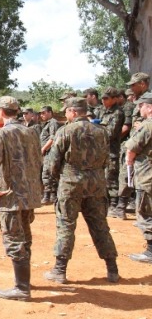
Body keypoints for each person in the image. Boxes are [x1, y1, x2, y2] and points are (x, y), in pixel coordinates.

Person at [44, 97, 119, 284]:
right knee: (100, 225)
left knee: (66, 224)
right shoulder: (101, 131)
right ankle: (112, 270)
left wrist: (57, 179)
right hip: (96, 183)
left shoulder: (65, 131)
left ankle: (60, 271)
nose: (66, 114)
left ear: (74, 112)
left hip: (71, 183)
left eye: (67, 111)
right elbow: (106, 160)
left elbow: (53, 162)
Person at [0, 96, 42, 301]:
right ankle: (24, 282)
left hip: (11, 196)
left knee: (13, 238)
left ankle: (22, 288)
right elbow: (38, 160)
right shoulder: (32, 132)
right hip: (30, 194)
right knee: (25, 236)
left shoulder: (2, 134)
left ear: (0, 111)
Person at [124, 91, 152, 264]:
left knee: (146, 213)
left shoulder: (147, 126)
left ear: (149, 108)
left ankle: (150, 251)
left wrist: (129, 161)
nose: (139, 108)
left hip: (147, 176)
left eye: (142, 105)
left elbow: (132, 148)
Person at [98, 87, 126, 218]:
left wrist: (96, 130)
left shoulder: (118, 113)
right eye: (102, 98)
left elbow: (111, 133)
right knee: (102, 179)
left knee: (111, 179)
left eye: (106, 98)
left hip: (111, 151)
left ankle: (114, 205)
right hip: (101, 151)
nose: (103, 101)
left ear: (114, 99)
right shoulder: (103, 111)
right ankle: (107, 203)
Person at [39, 106, 60, 204]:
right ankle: (50, 195)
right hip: (47, 152)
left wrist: (43, 148)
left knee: (47, 173)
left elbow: (53, 138)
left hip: (50, 152)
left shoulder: (53, 122)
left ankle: (50, 196)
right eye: (41, 113)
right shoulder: (47, 124)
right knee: (47, 173)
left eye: (44, 113)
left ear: (50, 112)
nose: (41, 115)